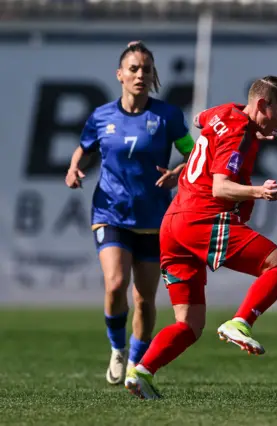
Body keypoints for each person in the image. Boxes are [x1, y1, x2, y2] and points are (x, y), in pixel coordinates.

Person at [124, 71, 277, 400]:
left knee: (189, 324)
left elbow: (204, 130)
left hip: (173, 223)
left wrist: (182, 169)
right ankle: (241, 322)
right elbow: (220, 186)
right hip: (200, 218)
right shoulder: (240, 132)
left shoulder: (222, 112)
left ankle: (141, 372)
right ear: (262, 105)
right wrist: (258, 191)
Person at [65, 41, 195, 386]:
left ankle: (137, 361)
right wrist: (74, 168)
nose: (140, 74)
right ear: (120, 75)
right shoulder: (102, 116)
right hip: (110, 211)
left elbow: (195, 156)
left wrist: (178, 172)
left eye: (146, 68)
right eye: (134, 68)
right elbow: (83, 148)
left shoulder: (167, 116)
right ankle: (117, 349)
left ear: (153, 75)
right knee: (116, 283)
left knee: (144, 299)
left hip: (153, 219)